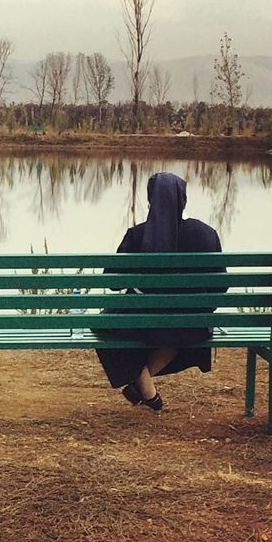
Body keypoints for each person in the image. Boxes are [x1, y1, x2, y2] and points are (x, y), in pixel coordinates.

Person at [95, 172, 225, 412]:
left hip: (144, 323)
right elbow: (220, 287)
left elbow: (113, 282)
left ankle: (144, 388)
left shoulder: (137, 235)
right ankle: (145, 390)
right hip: (191, 326)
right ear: (183, 199)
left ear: (150, 200)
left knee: (107, 329)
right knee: (174, 335)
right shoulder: (205, 234)